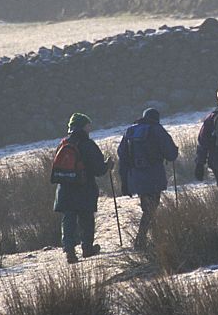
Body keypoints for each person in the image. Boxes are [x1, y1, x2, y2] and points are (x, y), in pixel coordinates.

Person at [117, 108, 179, 250]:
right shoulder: (157, 129)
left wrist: (124, 182)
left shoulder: (130, 131)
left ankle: (155, 238)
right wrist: (174, 152)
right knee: (151, 208)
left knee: (148, 207)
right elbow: (170, 154)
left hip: (136, 177)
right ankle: (141, 241)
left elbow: (122, 156)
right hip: (154, 175)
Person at [53, 113, 109, 264]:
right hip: (84, 189)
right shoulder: (87, 144)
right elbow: (99, 170)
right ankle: (87, 248)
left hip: (64, 189)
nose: (90, 128)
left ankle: (69, 251)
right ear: (83, 126)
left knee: (68, 220)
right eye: (88, 125)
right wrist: (108, 165)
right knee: (86, 220)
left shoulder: (63, 144)